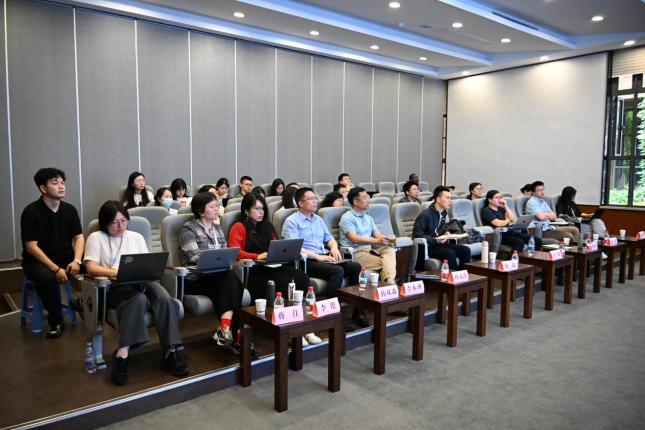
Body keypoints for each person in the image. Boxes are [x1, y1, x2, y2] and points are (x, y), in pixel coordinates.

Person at [84, 201, 187, 385]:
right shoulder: (96, 237)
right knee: (138, 300)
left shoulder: (136, 237)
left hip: (142, 281)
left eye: (124, 221)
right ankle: (122, 354)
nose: (121, 226)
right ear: (105, 222)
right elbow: (91, 267)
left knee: (165, 300)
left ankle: (170, 352)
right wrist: (116, 272)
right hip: (115, 286)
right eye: (115, 222)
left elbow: (146, 262)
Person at [227, 194, 317, 345]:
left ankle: (305, 327)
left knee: (301, 277)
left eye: (263, 209)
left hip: (273, 266)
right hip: (254, 270)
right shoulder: (239, 227)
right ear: (246, 211)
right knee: (282, 282)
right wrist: (256, 256)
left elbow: (277, 246)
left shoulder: (267, 226)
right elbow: (235, 251)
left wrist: (281, 252)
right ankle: (290, 330)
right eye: (257, 209)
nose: (261, 212)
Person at [282, 188, 367, 327]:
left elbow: (330, 239)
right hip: (306, 261)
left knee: (355, 267)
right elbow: (294, 248)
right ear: (300, 203)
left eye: (315, 198)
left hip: (324, 256)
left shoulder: (318, 219)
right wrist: (317, 257)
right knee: (337, 271)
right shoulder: (291, 221)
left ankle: (358, 311)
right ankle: (333, 316)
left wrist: (334, 247)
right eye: (310, 199)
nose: (315, 201)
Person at [178, 192, 247, 354]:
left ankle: (225, 331)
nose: (217, 209)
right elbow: (194, 257)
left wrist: (225, 260)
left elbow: (225, 253)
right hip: (196, 279)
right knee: (231, 281)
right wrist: (219, 260)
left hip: (218, 276)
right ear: (201, 211)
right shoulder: (188, 229)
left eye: (217, 205)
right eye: (212, 206)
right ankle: (236, 334)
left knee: (229, 279)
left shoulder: (218, 229)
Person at [21, 167, 84, 338]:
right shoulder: (31, 212)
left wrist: (77, 260)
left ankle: (86, 305)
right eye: (55, 183)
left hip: (66, 257)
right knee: (46, 278)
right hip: (38, 261)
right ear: (43, 188)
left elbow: (79, 237)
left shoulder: (70, 210)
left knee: (94, 266)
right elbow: (31, 247)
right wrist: (56, 269)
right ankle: (56, 320)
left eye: (63, 182)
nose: (61, 186)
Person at [340, 187, 396, 285]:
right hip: (355, 253)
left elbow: (378, 235)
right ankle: (390, 283)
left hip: (369, 251)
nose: (368, 200)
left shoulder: (368, 218)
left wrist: (387, 239)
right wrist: (377, 241)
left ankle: (389, 282)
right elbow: (355, 239)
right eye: (365, 197)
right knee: (387, 264)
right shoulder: (347, 217)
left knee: (390, 249)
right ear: (356, 202)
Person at [412, 186, 471, 269]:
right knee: (449, 253)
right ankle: (451, 276)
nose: (450, 201)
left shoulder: (443, 213)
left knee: (466, 250)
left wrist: (445, 232)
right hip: (429, 247)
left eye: (450, 198)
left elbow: (439, 228)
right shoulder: (425, 215)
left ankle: (462, 274)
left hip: (439, 244)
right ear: (438, 199)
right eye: (447, 198)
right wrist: (435, 240)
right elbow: (416, 235)